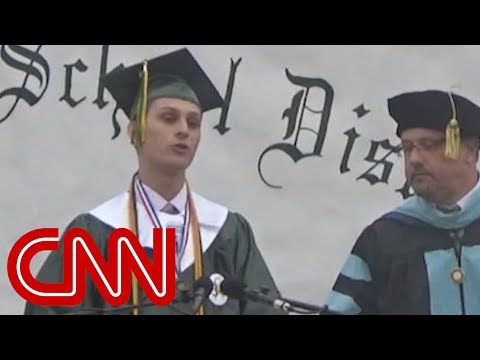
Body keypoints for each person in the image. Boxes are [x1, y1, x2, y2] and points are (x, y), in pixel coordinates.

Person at [24, 47, 284, 315]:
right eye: (169, 118)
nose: (183, 129)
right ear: (135, 131)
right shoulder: (94, 234)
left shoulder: (228, 234)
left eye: (193, 123)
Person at [322, 89, 480, 315]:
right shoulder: (383, 240)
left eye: (429, 145)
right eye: (407, 148)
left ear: (469, 151)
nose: (414, 159)